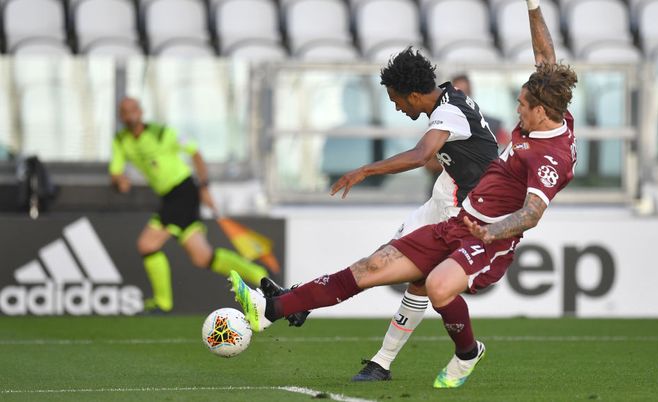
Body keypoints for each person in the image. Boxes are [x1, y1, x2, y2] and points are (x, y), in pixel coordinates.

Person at [231, 0, 577, 389]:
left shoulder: (545, 154)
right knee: (376, 267)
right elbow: (546, 58)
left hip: (474, 217)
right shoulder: (544, 109)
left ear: (541, 111)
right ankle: (278, 309)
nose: (516, 108)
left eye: (522, 104)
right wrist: (533, 7)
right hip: (454, 201)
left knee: (423, 282)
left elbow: (428, 158)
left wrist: (366, 169)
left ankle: (421, 355)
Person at [263, 46, 499, 377]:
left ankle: (384, 359)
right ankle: (303, 304)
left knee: (407, 277)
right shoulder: (449, 99)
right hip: (446, 194)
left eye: (396, 100)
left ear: (414, 95)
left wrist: (365, 170)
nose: (396, 106)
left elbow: (421, 155)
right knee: (378, 263)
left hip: (463, 210)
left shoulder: (450, 112)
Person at [109, 97, 268, 313]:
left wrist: (204, 187)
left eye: (132, 110)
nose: (129, 116)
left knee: (146, 244)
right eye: (124, 112)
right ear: (121, 116)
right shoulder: (120, 140)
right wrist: (120, 181)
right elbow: (115, 172)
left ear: (141, 111)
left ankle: (163, 302)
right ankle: (258, 274)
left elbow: (195, 151)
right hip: (168, 197)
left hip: (183, 191)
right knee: (203, 258)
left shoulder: (161, 132)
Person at [451, 74, 512, 150]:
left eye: (465, 93)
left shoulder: (492, 124)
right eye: (457, 94)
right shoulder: (445, 124)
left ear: (470, 93)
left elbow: (509, 147)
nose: (461, 98)